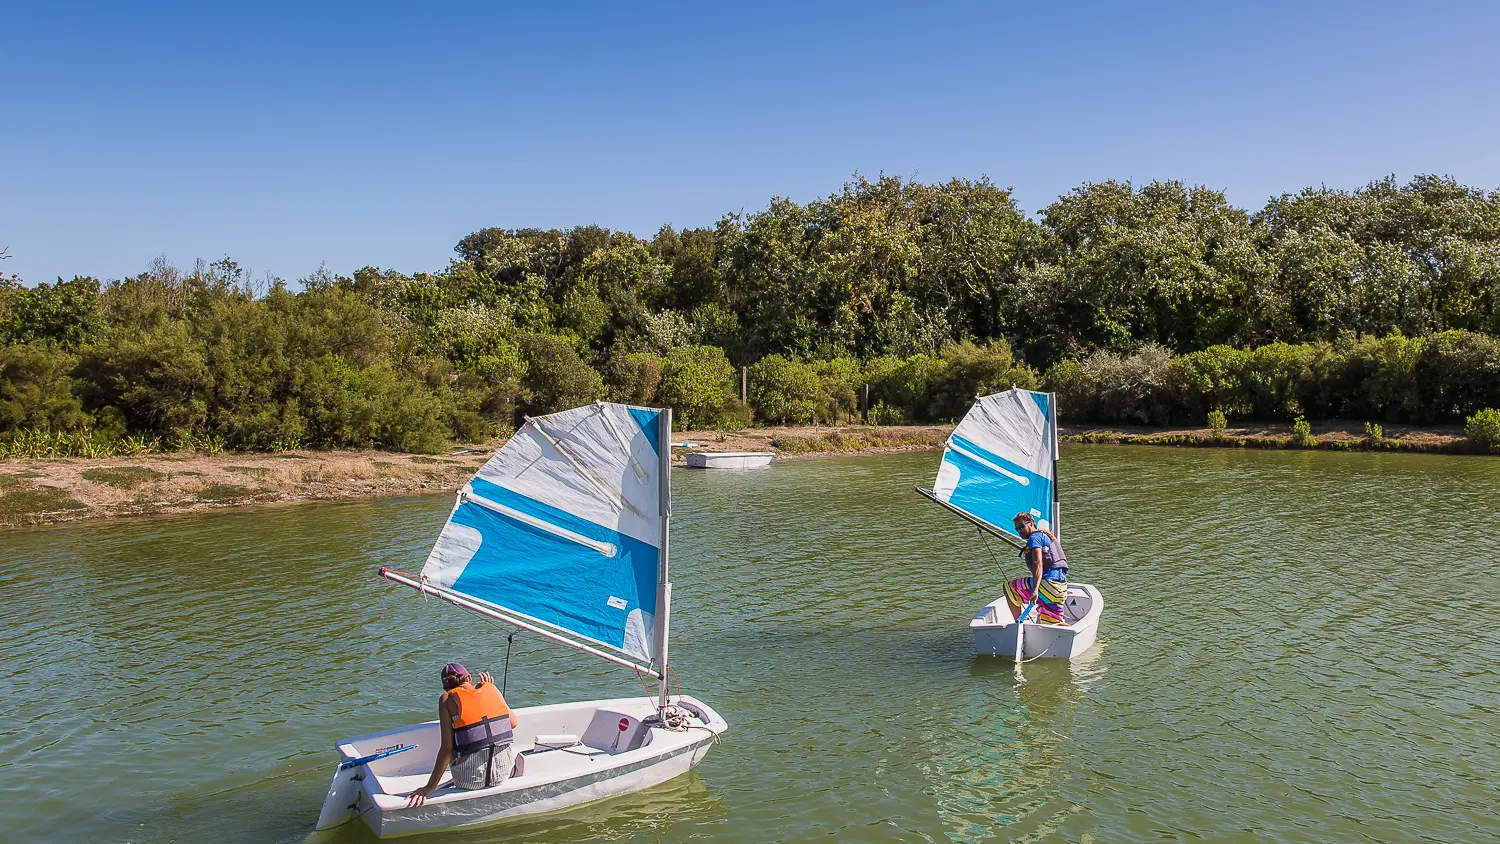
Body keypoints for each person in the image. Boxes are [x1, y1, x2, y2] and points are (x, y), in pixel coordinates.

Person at [406, 662, 519, 806]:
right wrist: (491, 688)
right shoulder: (490, 688)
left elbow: (447, 749)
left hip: (469, 781)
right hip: (502, 774)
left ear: (445, 687)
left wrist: (430, 787)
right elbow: (513, 723)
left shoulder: (446, 699)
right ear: (469, 678)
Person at [1004, 512, 1069, 625]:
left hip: (1048, 585)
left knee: (1009, 588)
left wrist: (1035, 590)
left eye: (1022, 526)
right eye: (1017, 529)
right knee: (1053, 623)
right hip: (1060, 589)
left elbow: (1038, 563)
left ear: (1032, 523)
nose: (1020, 531)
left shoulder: (1035, 538)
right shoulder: (1046, 536)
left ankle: (1019, 625)